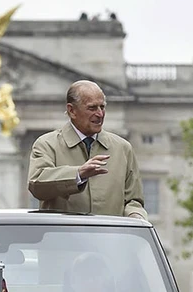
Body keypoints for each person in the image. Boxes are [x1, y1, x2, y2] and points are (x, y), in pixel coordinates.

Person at [27, 80, 146, 218]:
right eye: (92, 108)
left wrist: (136, 215)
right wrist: (78, 174)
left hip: (109, 237)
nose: (100, 114)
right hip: (63, 237)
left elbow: (133, 200)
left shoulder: (123, 148)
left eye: (102, 107)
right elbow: (37, 186)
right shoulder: (47, 144)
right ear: (72, 110)